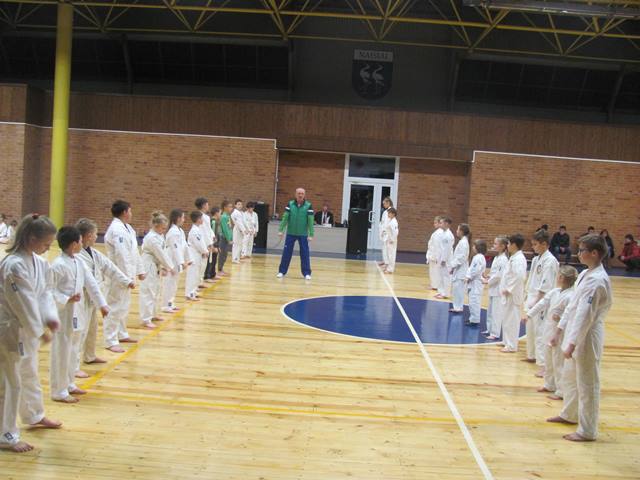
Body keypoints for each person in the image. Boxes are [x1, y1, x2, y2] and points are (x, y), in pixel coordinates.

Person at [0, 214, 62, 453]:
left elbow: (45, 293)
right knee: (9, 383)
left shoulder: (40, 263)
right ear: (31, 238)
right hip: (10, 330)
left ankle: (34, 414)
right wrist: (38, 330)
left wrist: (50, 318)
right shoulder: (13, 265)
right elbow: (22, 302)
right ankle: (5, 435)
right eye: (45, 243)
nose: (47, 247)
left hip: (26, 329)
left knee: (29, 373)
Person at [547, 234, 612, 442]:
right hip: (574, 331)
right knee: (570, 378)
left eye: (582, 250)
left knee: (587, 383)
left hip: (588, 335)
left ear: (594, 253)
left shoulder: (597, 280)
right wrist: (560, 330)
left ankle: (588, 430)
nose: (578, 253)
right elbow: (573, 306)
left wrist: (572, 343)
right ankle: (569, 414)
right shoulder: (585, 274)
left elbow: (585, 315)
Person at [49, 226, 109, 404]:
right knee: (61, 351)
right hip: (62, 314)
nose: (82, 244)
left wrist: (102, 304)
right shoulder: (58, 265)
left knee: (73, 348)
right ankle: (58, 391)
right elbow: (49, 290)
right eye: (81, 241)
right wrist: (66, 298)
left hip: (77, 312)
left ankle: (69, 384)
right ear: (74, 244)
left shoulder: (78, 262)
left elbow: (91, 284)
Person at [75, 218, 133, 372]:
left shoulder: (93, 252)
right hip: (82, 298)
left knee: (92, 328)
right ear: (88, 235)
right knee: (81, 332)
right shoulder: (78, 255)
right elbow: (89, 281)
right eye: (95, 234)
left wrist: (126, 281)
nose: (96, 236)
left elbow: (110, 267)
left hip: (93, 297)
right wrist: (101, 303)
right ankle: (74, 367)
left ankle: (89, 356)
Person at [526, 265, 577, 400]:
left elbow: (569, 316)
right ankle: (549, 384)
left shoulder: (571, 296)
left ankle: (561, 391)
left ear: (562, 278)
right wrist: (529, 314)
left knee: (558, 362)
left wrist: (558, 326)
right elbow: (542, 303)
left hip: (560, 332)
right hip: (549, 329)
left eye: (559, 275)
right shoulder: (555, 292)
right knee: (548, 359)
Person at [103, 200, 146, 353]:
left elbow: (134, 252)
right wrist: (127, 278)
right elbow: (122, 255)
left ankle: (121, 334)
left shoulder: (128, 229)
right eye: (130, 210)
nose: (131, 213)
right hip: (118, 274)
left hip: (127, 273)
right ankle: (110, 340)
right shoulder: (117, 229)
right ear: (124, 212)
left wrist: (140, 270)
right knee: (114, 307)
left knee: (123, 306)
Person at [523, 229, 559, 373]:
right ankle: (531, 355)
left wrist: (537, 302)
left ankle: (543, 365)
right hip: (532, 296)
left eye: (535, 244)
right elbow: (532, 279)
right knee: (530, 329)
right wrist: (527, 296)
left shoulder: (550, 261)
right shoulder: (537, 259)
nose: (533, 247)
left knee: (540, 332)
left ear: (544, 244)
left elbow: (546, 284)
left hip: (542, 299)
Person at [139, 212, 174, 329]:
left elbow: (163, 253)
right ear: (155, 225)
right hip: (148, 265)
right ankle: (146, 319)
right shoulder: (151, 238)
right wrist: (170, 267)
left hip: (156, 265)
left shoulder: (159, 235)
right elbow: (161, 254)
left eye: (165, 228)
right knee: (148, 291)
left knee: (156, 290)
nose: (163, 231)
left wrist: (163, 267)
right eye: (162, 228)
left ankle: (153, 313)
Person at [277, 188, 315, 280]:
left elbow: (310, 220)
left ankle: (306, 273)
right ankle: (282, 271)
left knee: (305, 253)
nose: (300, 195)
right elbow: (285, 217)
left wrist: (311, 234)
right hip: (291, 233)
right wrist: (281, 229)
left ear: (304, 195)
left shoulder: (308, 205)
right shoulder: (290, 204)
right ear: (295, 194)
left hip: (303, 234)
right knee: (286, 253)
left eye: (302, 193)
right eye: (299, 193)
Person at [499, 234, 527, 353]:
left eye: (509, 243)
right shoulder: (513, 257)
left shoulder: (519, 259)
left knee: (512, 320)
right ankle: (506, 341)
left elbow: (519, 276)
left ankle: (511, 345)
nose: (508, 246)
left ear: (514, 245)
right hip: (508, 294)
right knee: (506, 318)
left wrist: (509, 289)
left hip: (513, 294)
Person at [161, 209, 191, 313]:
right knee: (168, 283)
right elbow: (175, 248)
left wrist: (188, 259)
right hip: (171, 260)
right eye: (183, 217)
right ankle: (165, 306)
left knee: (174, 284)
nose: (184, 220)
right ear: (178, 218)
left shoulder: (180, 231)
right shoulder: (173, 232)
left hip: (176, 261)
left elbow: (185, 246)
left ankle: (171, 303)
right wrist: (181, 262)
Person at [483, 236, 509, 340]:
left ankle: (495, 332)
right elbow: (494, 272)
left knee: (496, 312)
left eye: (495, 244)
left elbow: (498, 275)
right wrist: (488, 276)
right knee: (490, 310)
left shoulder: (504, 259)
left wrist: (488, 281)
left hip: (498, 288)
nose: (494, 245)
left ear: (502, 246)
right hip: (493, 288)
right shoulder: (497, 257)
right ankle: (489, 329)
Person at [185, 211, 208, 301]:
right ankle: (190, 294)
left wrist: (204, 251)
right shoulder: (194, 231)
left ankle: (193, 292)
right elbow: (199, 244)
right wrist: (205, 251)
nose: (202, 220)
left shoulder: (197, 229)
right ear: (198, 219)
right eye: (201, 218)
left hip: (197, 254)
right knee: (192, 275)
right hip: (193, 255)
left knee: (196, 275)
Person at [449, 223, 470, 313]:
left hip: (461, 270)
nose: (456, 231)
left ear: (461, 231)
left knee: (458, 289)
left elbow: (461, 258)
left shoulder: (464, 243)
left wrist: (452, 265)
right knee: (456, 289)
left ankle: (458, 307)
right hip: (458, 269)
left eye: (458, 229)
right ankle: (457, 306)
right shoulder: (462, 242)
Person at [466, 239, 487, 326]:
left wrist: (469, 278)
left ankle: (474, 320)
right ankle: (472, 318)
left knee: (474, 302)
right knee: (472, 301)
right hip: (475, 282)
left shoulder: (478, 258)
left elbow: (475, 270)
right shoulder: (479, 257)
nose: (473, 247)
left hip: (476, 282)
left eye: (474, 246)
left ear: (478, 247)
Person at [196, 198, 215, 284]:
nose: (208, 206)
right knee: (201, 263)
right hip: (203, 242)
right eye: (207, 204)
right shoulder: (199, 216)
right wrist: (209, 244)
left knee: (204, 263)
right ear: (203, 205)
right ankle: (198, 282)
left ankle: (200, 281)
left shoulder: (206, 217)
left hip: (206, 241)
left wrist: (213, 236)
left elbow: (209, 229)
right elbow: (204, 232)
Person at [435, 217, 454, 300]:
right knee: (441, 276)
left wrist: (443, 259)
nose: (440, 224)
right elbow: (440, 248)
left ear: (446, 224)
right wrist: (438, 257)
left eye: (441, 223)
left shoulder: (448, 235)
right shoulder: (443, 233)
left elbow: (447, 249)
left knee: (446, 276)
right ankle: (441, 291)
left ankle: (446, 293)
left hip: (446, 259)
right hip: (441, 257)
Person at [426, 216, 442, 291]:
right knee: (433, 271)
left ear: (440, 223)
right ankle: (434, 284)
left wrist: (435, 256)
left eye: (436, 223)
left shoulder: (439, 233)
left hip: (435, 255)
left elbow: (437, 246)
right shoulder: (437, 232)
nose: (434, 224)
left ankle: (435, 286)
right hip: (433, 254)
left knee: (435, 271)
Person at [218, 200, 233, 276]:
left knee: (225, 254)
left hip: (227, 239)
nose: (231, 208)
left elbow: (230, 228)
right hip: (223, 238)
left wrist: (231, 238)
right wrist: (228, 239)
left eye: (231, 207)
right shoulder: (223, 217)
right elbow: (225, 229)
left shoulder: (228, 216)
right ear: (225, 207)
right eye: (229, 207)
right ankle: (219, 270)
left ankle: (222, 269)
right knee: (222, 254)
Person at [381, 208, 398, 274]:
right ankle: (388, 267)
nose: (388, 214)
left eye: (389, 213)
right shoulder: (391, 220)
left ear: (393, 214)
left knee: (391, 255)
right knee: (389, 254)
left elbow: (396, 232)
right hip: (389, 239)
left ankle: (390, 269)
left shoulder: (394, 222)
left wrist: (392, 239)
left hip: (392, 240)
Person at [377, 197, 393, 268]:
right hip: (384, 232)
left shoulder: (390, 211)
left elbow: (387, 222)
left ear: (388, 203)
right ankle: (385, 261)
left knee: (387, 248)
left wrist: (384, 230)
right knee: (384, 248)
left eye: (384, 204)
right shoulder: (386, 211)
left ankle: (387, 263)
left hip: (387, 232)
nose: (383, 205)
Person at [231, 199, 247, 264]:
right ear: (235, 205)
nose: (240, 206)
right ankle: (234, 259)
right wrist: (244, 230)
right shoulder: (235, 213)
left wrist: (247, 229)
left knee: (240, 245)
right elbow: (239, 223)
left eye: (241, 204)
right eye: (238, 204)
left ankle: (237, 258)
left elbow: (244, 222)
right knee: (236, 245)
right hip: (237, 230)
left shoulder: (241, 213)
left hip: (241, 230)